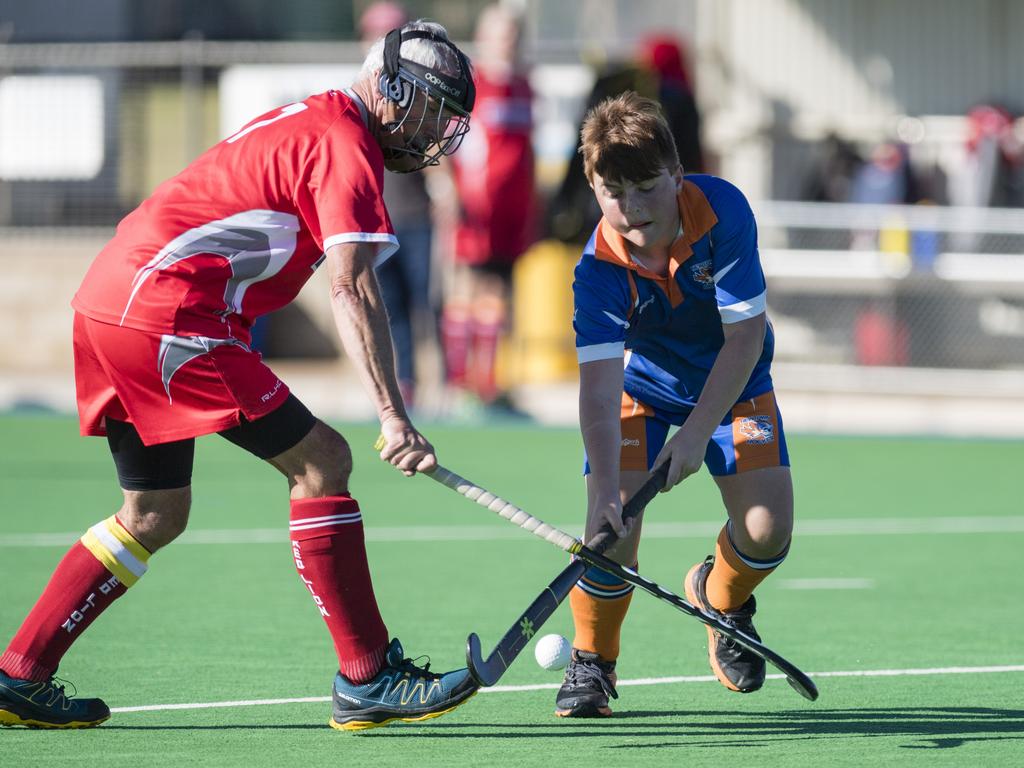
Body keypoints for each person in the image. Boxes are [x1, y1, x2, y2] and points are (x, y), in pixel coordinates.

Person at [0, 21, 479, 731]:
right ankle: (368, 676)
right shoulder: (346, 145)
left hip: (110, 301)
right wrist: (393, 415)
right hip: (166, 314)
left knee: (155, 513)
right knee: (324, 462)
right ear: (387, 90)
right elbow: (351, 287)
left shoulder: (318, 119)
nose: (436, 129)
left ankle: (19, 674)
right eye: (428, 109)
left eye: (447, 117)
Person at [557, 92, 793, 718]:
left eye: (646, 187)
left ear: (677, 174)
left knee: (767, 534)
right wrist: (606, 487)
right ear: (592, 184)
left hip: (735, 383)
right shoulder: (597, 273)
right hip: (643, 393)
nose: (631, 210)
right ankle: (593, 661)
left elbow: (744, 337)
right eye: (613, 191)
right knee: (611, 534)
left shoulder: (722, 211)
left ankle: (720, 597)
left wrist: (694, 433)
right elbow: (600, 390)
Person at [442, 3, 536, 411]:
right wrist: (448, 191)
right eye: (500, 34)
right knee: (467, 290)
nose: (507, 42)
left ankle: (491, 385)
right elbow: (445, 142)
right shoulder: (471, 84)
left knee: (500, 296)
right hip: (475, 208)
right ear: (484, 37)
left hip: (513, 214)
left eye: (513, 34)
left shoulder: (526, 86)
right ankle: (461, 385)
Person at [360, 1, 438, 408]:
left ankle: (443, 380)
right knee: (391, 308)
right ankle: (405, 381)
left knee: (427, 301)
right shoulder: (361, 102)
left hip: (417, 216)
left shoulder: (415, 97)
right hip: (380, 219)